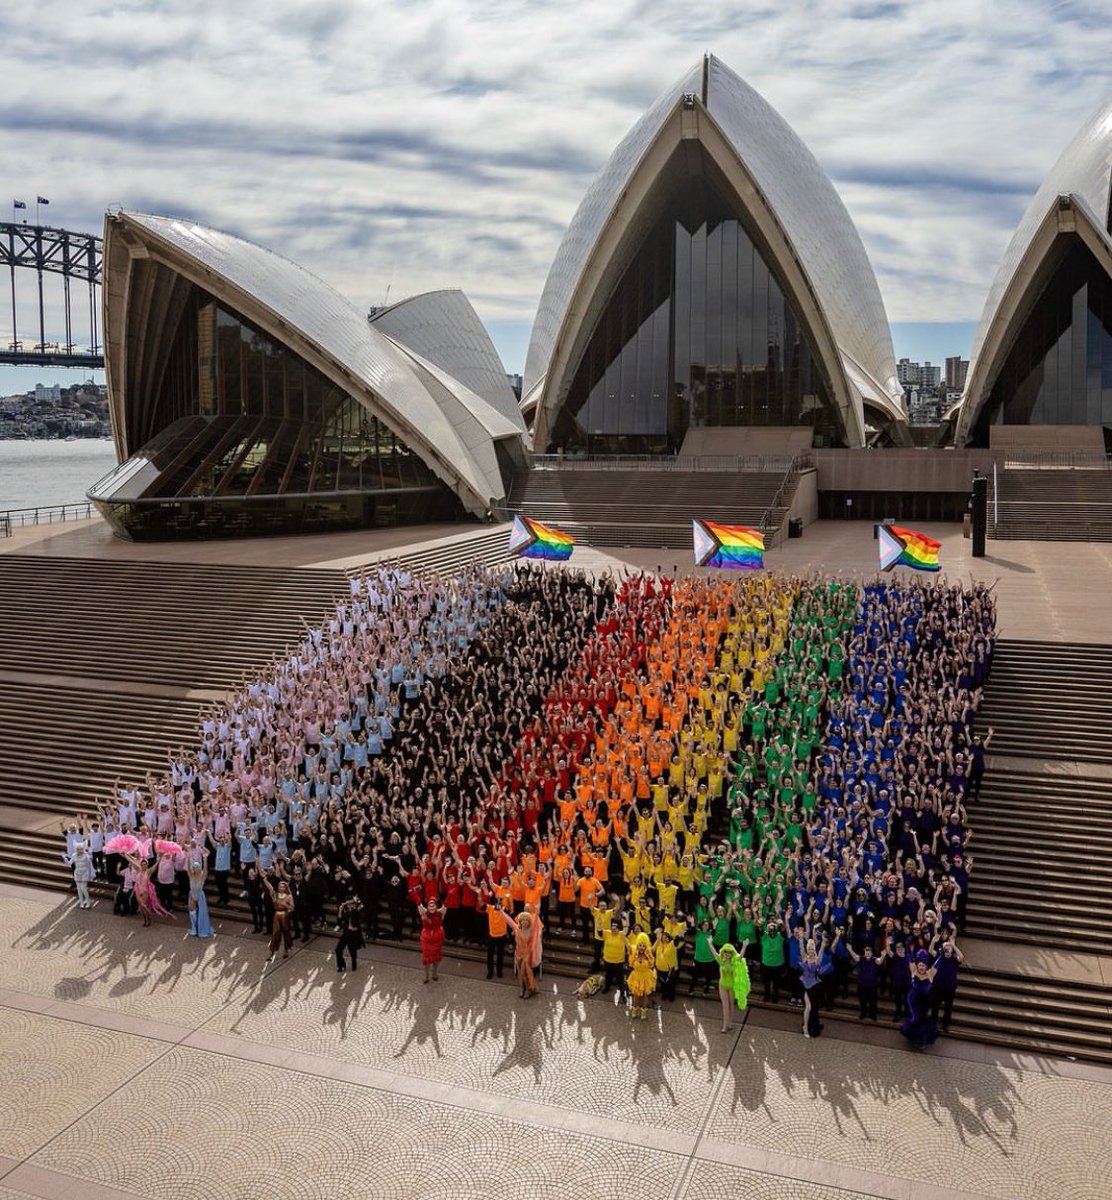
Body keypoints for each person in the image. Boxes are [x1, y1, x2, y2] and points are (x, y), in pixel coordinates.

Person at [900, 949, 941, 1050]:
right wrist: (909, 949)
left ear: (926, 966)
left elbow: (938, 963)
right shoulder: (914, 971)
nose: (921, 967)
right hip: (914, 999)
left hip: (925, 1001)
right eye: (920, 965)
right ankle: (914, 1037)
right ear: (917, 965)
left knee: (922, 1019)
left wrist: (943, 953)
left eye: (923, 965)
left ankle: (921, 1041)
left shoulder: (930, 974)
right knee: (915, 1018)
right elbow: (910, 958)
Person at [709, 941, 750, 1033]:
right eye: (726, 952)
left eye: (729, 953)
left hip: (731, 987)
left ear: (732, 954)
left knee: (731, 1005)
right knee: (725, 1006)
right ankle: (725, 1025)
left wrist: (744, 946)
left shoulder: (734, 962)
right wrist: (710, 943)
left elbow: (740, 957)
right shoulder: (721, 961)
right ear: (723, 953)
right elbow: (714, 952)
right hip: (722, 985)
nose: (727, 954)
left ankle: (729, 1023)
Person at [503, 909, 538, 999]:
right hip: (518, 953)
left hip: (527, 954)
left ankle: (525, 990)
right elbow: (508, 920)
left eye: (527, 920)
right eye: (523, 920)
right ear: (520, 921)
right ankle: (524, 989)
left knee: (523, 973)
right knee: (520, 973)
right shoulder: (516, 929)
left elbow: (534, 942)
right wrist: (501, 911)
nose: (525, 921)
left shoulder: (531, 931)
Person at [261, 872, 294, 960]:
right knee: (275, 934)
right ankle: (272, 953)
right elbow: (270, 888)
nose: (281, 888)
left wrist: (285, 906)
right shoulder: (275, 895)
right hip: (276, 915)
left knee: (286, 933)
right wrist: (266, 881)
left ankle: (286, 950)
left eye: (283, 887)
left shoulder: (289, 896)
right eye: (280, 886)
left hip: (285, 915)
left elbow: (292, 907)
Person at [626, 930, 656, 1020]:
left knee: (645, 996)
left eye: (643, 945)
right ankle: (635, 1009)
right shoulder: (634, 954)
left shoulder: (649, 954)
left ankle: (644, 1011)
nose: (642, 947)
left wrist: (648, 955)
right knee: (636, 995)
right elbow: (630, 964)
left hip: (646, 977)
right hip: (636, 977)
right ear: (638, 945)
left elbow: (652, 965)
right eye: (640, 945)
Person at [186, 849, 214, 938]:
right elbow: (188, 868)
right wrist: (188, 858)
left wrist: (205, 859)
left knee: (202, 913)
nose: (195, 869)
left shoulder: (202, 876)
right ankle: (194, 929)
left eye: (197, 867)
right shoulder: (191, 875)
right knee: (191, 911)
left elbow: (205, 870)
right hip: (192, 894)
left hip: (200, 895)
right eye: (194, 867)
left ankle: (201, 928)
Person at [418, 896, 445, 984]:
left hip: (437, 938)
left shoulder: (441, 912)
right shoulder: (423, 913)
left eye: (433, 905)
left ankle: (434, 973)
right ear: (427, 907)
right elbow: (418, 903)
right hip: (427, 939)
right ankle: (426, 976)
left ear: (436, 906)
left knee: (436, 957)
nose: (432, 907)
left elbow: (447, 904)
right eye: (430, 905)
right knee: (427, 957)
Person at [63, 840, 95, 909]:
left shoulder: (86, 855)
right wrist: (65, 859)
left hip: (85, 872)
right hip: (77, 872)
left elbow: (90, 860)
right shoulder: (74, 855)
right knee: (79, 888)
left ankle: (88, 901)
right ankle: (81, 902)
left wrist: (90, 853)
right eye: (78, 849)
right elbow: (70, 863)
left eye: (81, 849)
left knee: (83, 888)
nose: (79, 850)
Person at [336, 896, 365, 972]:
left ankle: (354, 964)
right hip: (346, 933)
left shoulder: (357, 911)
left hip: (354, 934)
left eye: (350, 903)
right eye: (348, 904)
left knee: (352, 951)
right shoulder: (346, 912)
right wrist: (340, 910)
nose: (349, 905)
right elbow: (340, 919)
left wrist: (347, 903)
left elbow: (357, 910)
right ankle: (341, 965)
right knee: (338, 950)